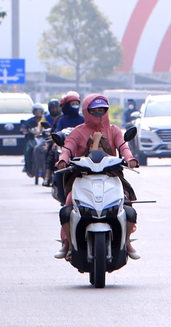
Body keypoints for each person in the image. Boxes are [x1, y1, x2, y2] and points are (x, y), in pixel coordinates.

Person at [54, 94, 140, 260]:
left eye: (102, 110)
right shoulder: (77, 132)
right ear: (87, 111)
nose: (99, 113)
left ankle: (127, 241)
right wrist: (63, 160)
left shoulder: (114, 130)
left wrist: (130, 159)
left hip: (111, 175)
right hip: (82, 176)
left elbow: (123, 147)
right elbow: (67, 148)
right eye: (95, 110)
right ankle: (68, 244)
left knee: (127, 204)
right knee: (69, 204)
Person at [22, 103, 46, 172]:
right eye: (36, 111)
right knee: (28, 149)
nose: (38, 112)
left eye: (39, 111)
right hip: (32, 139)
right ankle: (27, 165)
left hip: (43, 139)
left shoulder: (44, 120)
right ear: (33, 112)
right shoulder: (29, 121)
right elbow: (23, 128)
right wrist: (25, 130)